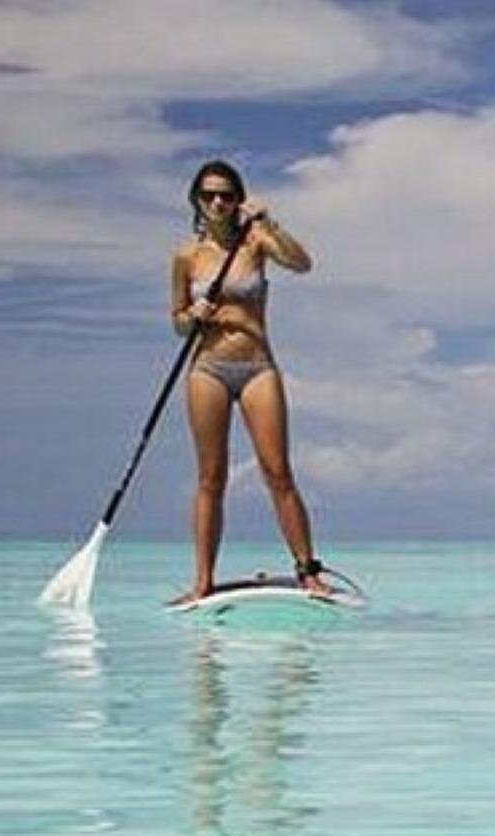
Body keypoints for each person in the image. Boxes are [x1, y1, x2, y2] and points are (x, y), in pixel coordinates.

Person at [169, 159, 326, 603]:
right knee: (211, 478)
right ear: (197, 202)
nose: (218, 202)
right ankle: (202, 581)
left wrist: (270, 223)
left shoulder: (256, 242)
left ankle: (308, 572)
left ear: (239, 199)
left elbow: (302, 264)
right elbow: (177, 322)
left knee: (278, 472)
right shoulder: (186, 256)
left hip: (258, 367)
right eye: (209, 195)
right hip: (208, 370)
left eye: (227, 195)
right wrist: (192, 315)